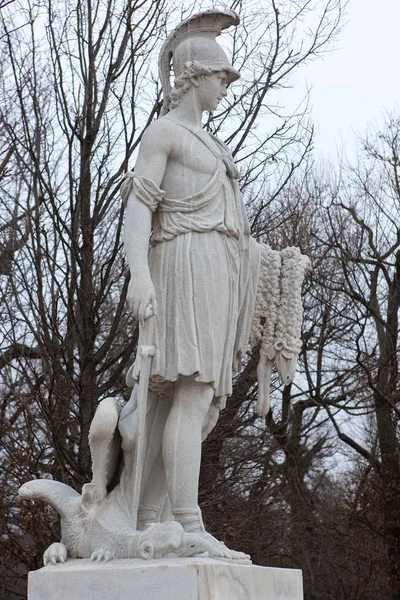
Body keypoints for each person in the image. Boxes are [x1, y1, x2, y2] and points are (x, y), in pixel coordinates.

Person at [120, 10, 260, 560]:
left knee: (203, 405)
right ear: (194, 75)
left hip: (218, 271)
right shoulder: (164, 132)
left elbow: (229, 221)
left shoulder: (211, 144)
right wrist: (139, 276)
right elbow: (139, 208)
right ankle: (186, 522)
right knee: (189, 390)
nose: (225, 88)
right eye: (221, 79)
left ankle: (156, 518)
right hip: (181, 264)